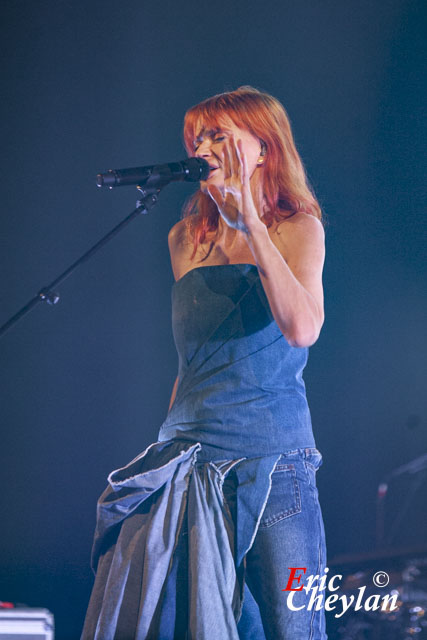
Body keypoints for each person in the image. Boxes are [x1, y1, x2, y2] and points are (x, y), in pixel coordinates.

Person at [81, 86, 327, 640]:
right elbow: (192, 361)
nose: (205, 145)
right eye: (198, 136)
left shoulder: (297, 228)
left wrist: (253, 229)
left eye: (221, 134)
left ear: (263, 149)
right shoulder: (184, 240)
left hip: (273, 463)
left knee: (293, 626)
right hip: (190, 460)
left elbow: (302, 327)